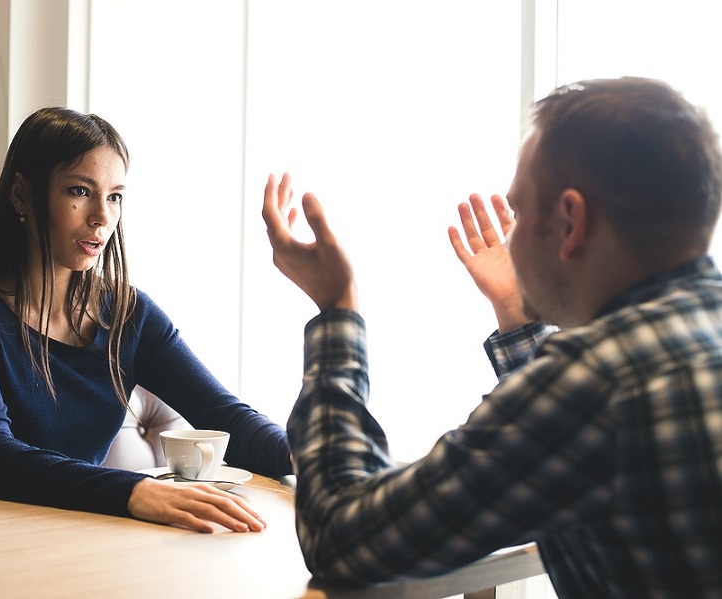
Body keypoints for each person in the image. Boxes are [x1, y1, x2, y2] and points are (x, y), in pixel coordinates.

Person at [262, 77, 722, 596]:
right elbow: (578, 441)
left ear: (570, 221)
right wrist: (515, 311)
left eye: (520, 211)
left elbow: (340, 535)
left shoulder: (597, 381)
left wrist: (336, 308)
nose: (511, 236)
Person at [0, 106, 291, 534]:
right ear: (22, 194)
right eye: (79, 191)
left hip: (85, 532)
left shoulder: (127, 314)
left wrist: (323, 456)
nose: (102, 216)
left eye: (114, 196)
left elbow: (228, 418)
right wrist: (135, 492)